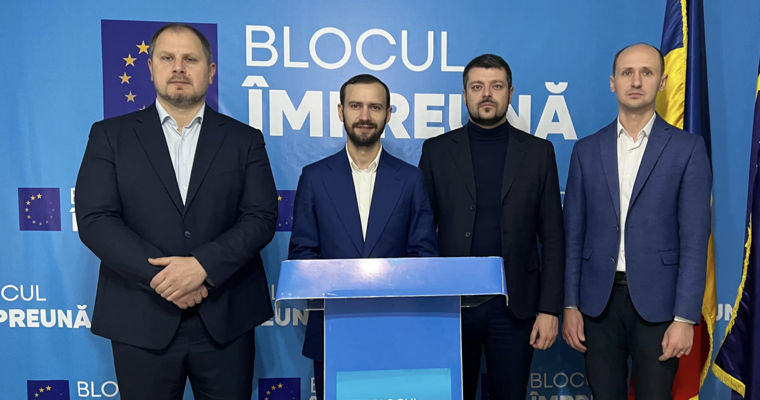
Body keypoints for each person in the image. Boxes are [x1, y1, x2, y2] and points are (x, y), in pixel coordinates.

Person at [75, 23, 277, 400]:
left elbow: (260, 217)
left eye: (190, 59)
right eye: (167, 58)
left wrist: (202, 267)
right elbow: (95, 219)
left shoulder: (245, 140)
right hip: (139, 318)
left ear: (210, 71)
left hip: (226, 318)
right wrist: (165, 278)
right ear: (151, 67)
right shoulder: (109, 136)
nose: (179, 68)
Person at [562, 43, 712, 399]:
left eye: (647, 72)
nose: (636, 81)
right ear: (612, 82)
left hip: (660, 308)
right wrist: (569, 305)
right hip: (597, 306)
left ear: (662, 82)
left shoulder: (688, 149)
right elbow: (573, 236)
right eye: (627, 72)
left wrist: (685, 318)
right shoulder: (586, 150)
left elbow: (694, 241)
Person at [418, 54, 565, 400]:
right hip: (452, 307)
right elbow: (420, 232)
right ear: (465, 94)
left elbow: (554, 237)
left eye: (496, 86)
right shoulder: (437, 151)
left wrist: (549, 309)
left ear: (510, 93)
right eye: (477, 87)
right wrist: (424, 303)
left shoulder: (539, 153)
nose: (487, 94)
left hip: (515, 308)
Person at [288, 73, 438, 400]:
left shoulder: (411, 179)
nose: (365, 116)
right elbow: (302, 254)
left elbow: (424, 257)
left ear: (388, 114)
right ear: (340, 111)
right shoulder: (314, 178)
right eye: (356, 106)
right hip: (332, 332)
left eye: (375, 107)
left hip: (397, 333)